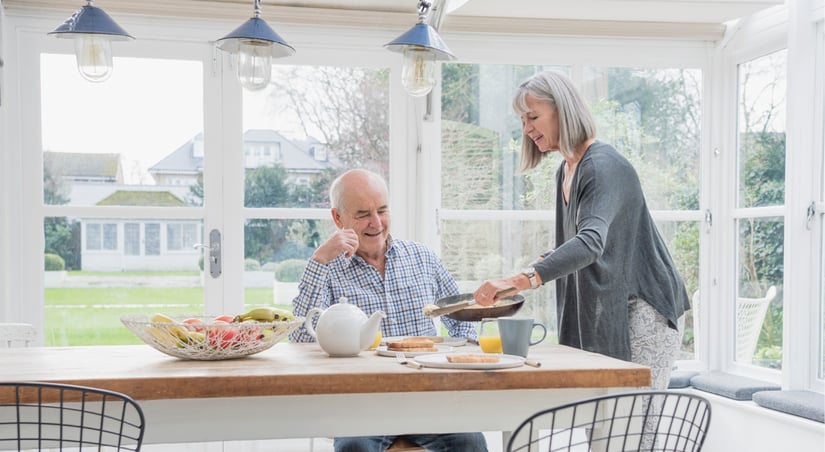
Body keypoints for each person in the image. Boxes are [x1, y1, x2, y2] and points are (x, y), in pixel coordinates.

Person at [473, 70, 690, 392]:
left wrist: (521, 280)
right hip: (613, 305)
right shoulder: (567, 169)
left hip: (645, 307)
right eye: (522, 120)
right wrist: (538, 266)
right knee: (602, 421)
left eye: (533, 116)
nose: (527, 128)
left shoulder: (602, 166)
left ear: (563, 110)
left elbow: (590, 244)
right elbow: (587, 242)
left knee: (632, 426)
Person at [289, 168, 488, 452]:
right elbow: (300, 340)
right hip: (362, 404)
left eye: (382, 210)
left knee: (471, 442)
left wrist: (456, 363)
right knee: (354, 447)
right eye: (362, 214)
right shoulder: (328, 270)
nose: (376, 223)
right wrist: (319, 259)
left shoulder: (423, 258)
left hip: (427, 397)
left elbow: (462, 316)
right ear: (338, 218)